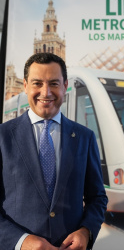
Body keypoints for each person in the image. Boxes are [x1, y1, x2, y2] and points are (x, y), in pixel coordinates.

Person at [0, 53, 108, 250]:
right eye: (37, 83)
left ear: (65, 85)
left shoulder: (85, 137)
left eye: (54, 83)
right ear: (25, 85)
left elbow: (97, 198)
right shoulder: (2, 137)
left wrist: (86, 231)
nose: (46, 91)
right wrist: (22, 241)